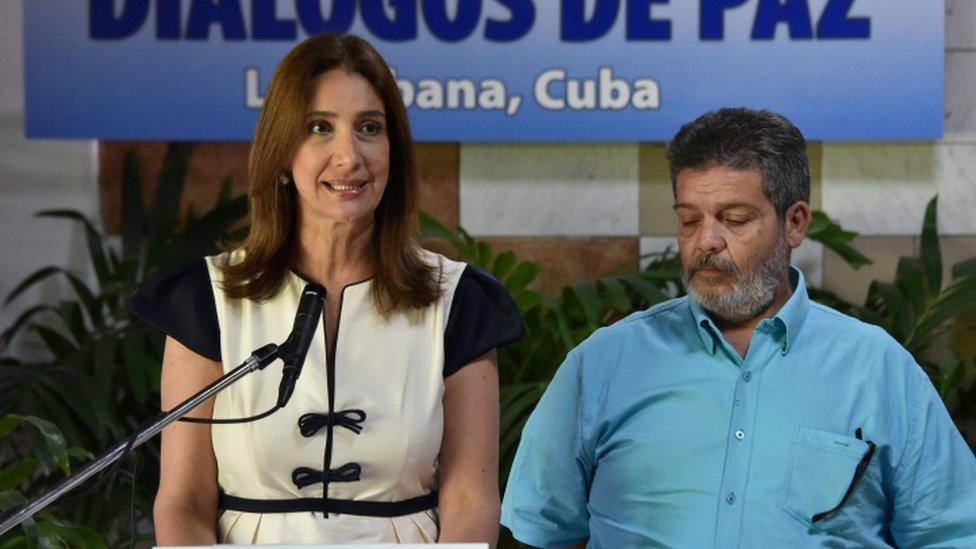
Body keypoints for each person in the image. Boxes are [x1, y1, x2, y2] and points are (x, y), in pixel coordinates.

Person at [500, 108, 976, 547]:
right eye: (689, 220)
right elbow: (543, 533)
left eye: (735, 219)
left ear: (794, 223)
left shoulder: (876, 367)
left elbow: (951, 534)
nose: (706, 241)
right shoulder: (603, 363)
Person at [130, 33, 524, 545]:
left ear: (393, 150)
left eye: (369, 128)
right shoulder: (208, 299)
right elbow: (183, 502)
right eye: (320, 128)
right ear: (282, 153)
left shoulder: (459, 302)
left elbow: (471, 499)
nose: (349, 156)